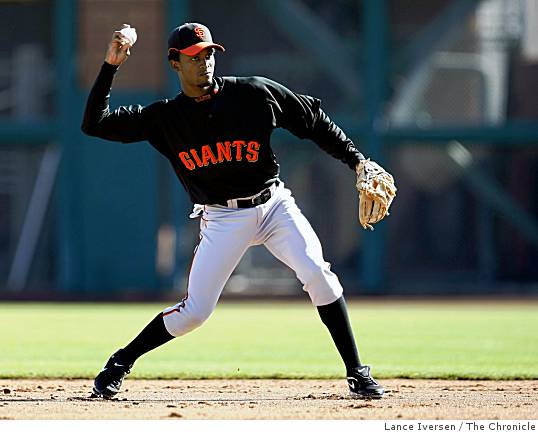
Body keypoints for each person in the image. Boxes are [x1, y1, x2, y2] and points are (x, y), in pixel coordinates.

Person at [82, 22, 387, 400]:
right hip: (223, 218)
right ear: (175, 63)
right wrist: (111, 66)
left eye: (209, 53)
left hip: (274, 205)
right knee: (195, 312)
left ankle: (357, 371)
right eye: (194, 56)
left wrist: (358, 161)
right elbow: (94, 124)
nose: (204, 61)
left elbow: (313, 120)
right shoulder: (165, 118)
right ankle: (121, 361)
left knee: (318, 274)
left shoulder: (253, 93)